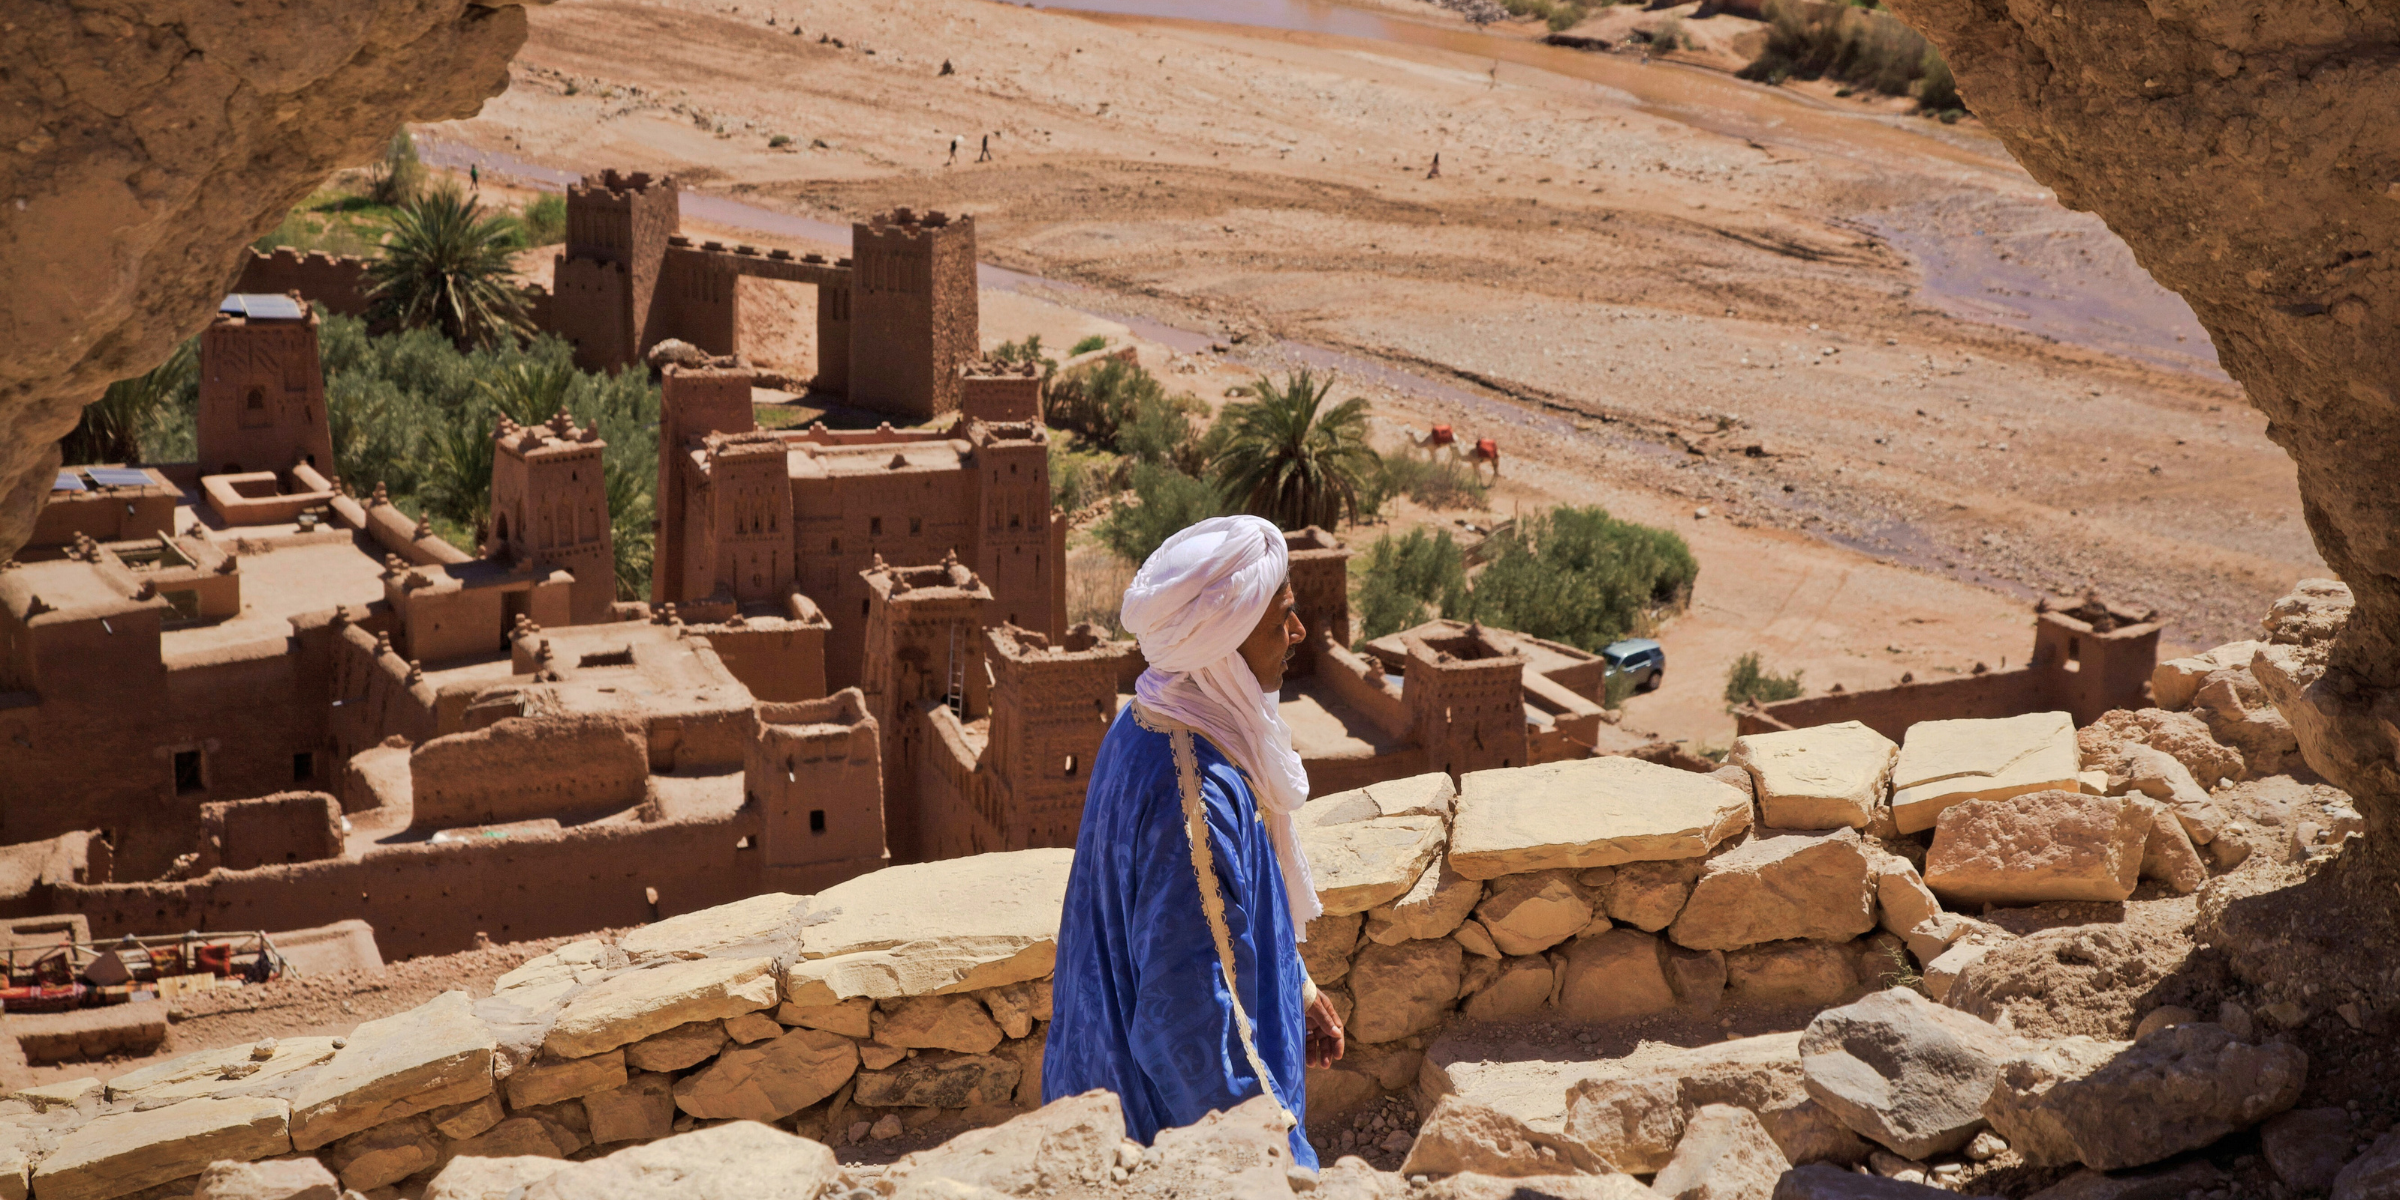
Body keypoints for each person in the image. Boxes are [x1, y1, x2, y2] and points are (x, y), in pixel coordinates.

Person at [1046, 515, 1342, 1167]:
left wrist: (1296, 989)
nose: (1297, 634)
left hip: (1092, 1067)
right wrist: (1280, 1163)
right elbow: (1187, 1027)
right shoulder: (1196, 798)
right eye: (1280, 621)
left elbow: (1221, 922)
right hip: (1156, 1132)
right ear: (1225, 646)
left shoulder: (1150, 718)